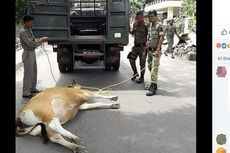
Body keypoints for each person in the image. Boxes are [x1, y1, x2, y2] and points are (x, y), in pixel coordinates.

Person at [20, 15, 48, 98]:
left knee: (34, 71)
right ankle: (26, 92)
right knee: (28, 73)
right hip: (28, 53)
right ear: (26, 22)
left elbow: (34, 40)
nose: (33, 24)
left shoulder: (29, 30)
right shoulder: (23, 32)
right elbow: (31, 44)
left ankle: (32, 88)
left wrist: (40, 39)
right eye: (31, 22)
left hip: (32, 52)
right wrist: (41, 40)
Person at [144, 10, 164, 96]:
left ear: (156, 16)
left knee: (154, 69)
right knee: (149, 66)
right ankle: (154, 84)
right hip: (149, 50)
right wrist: (146, 47)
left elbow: (161, 38)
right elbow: (149, 37)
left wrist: (158, 50)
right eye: (149, 17)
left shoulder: (160, 26)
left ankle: (153, 88)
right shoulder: (150, 26)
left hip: (156, 50)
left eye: (152, 16)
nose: (150, 18)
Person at [128, 11, 148, 83]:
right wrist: (128, 28)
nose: (137, 19)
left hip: (143, 47)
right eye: (136, 18)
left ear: (142, 17)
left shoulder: (146, 25)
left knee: (142, 63)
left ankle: (142, 77)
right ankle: (135, 72)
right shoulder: (135, 24)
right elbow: (132, 33)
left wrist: (145, 49)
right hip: (135, 47)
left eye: (138, 18)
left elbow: (149, 37)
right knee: (131, 59)